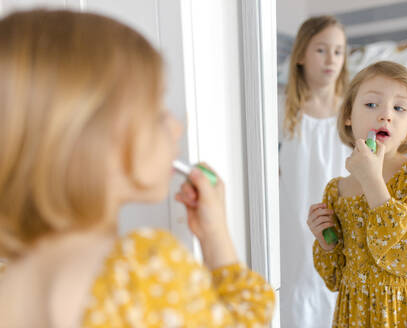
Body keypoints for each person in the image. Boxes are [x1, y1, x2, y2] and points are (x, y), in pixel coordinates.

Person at [0, 9, 275, 327]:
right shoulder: (139, 270)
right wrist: (217, 239)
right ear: (95, 140)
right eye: (158, 112)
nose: (175, 127)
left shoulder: (10, 281)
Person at [307, 61, 407, 327]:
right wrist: (326, 242)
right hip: (355, 316)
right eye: (371, 105)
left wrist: (372, 180)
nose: (385, 115)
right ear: (348, 115)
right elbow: (334, 278)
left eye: (399, 108)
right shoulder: (336, 191)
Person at [278, 16, 351, 327]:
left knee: (332, 287)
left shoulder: (351, 111)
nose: (331, 59)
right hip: (294, 220)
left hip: (340, 217)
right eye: (321, 50)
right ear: (301, 56)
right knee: (300, 287)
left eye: (338, 51)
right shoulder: (283, 109)